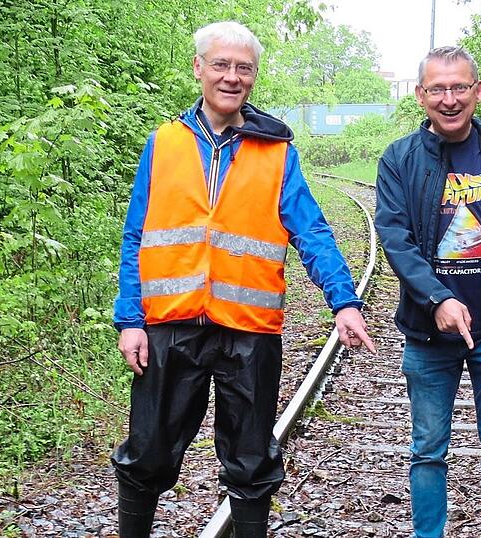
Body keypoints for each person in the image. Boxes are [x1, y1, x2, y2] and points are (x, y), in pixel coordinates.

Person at [111, 21, 375, 538]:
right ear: (199, 69)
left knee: (251, 462)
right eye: (221, 65)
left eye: (243, 68)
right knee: (148, 454)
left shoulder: (275, 151)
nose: (231, 77)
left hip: (249, 331)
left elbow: (312, 232)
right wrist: (130, 319)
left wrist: (344, 302)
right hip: (170, 326)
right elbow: (136, 235)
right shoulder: (163, 144)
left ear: (253, 77)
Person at [374, 46, 481, 538]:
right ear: (421, 95)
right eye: (437, 89)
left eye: (459, 87)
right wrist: (437, 299)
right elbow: (396, 239)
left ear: (477, 91)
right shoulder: (399, 159)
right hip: (428, 335)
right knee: (428, 449)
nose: (449, 99)